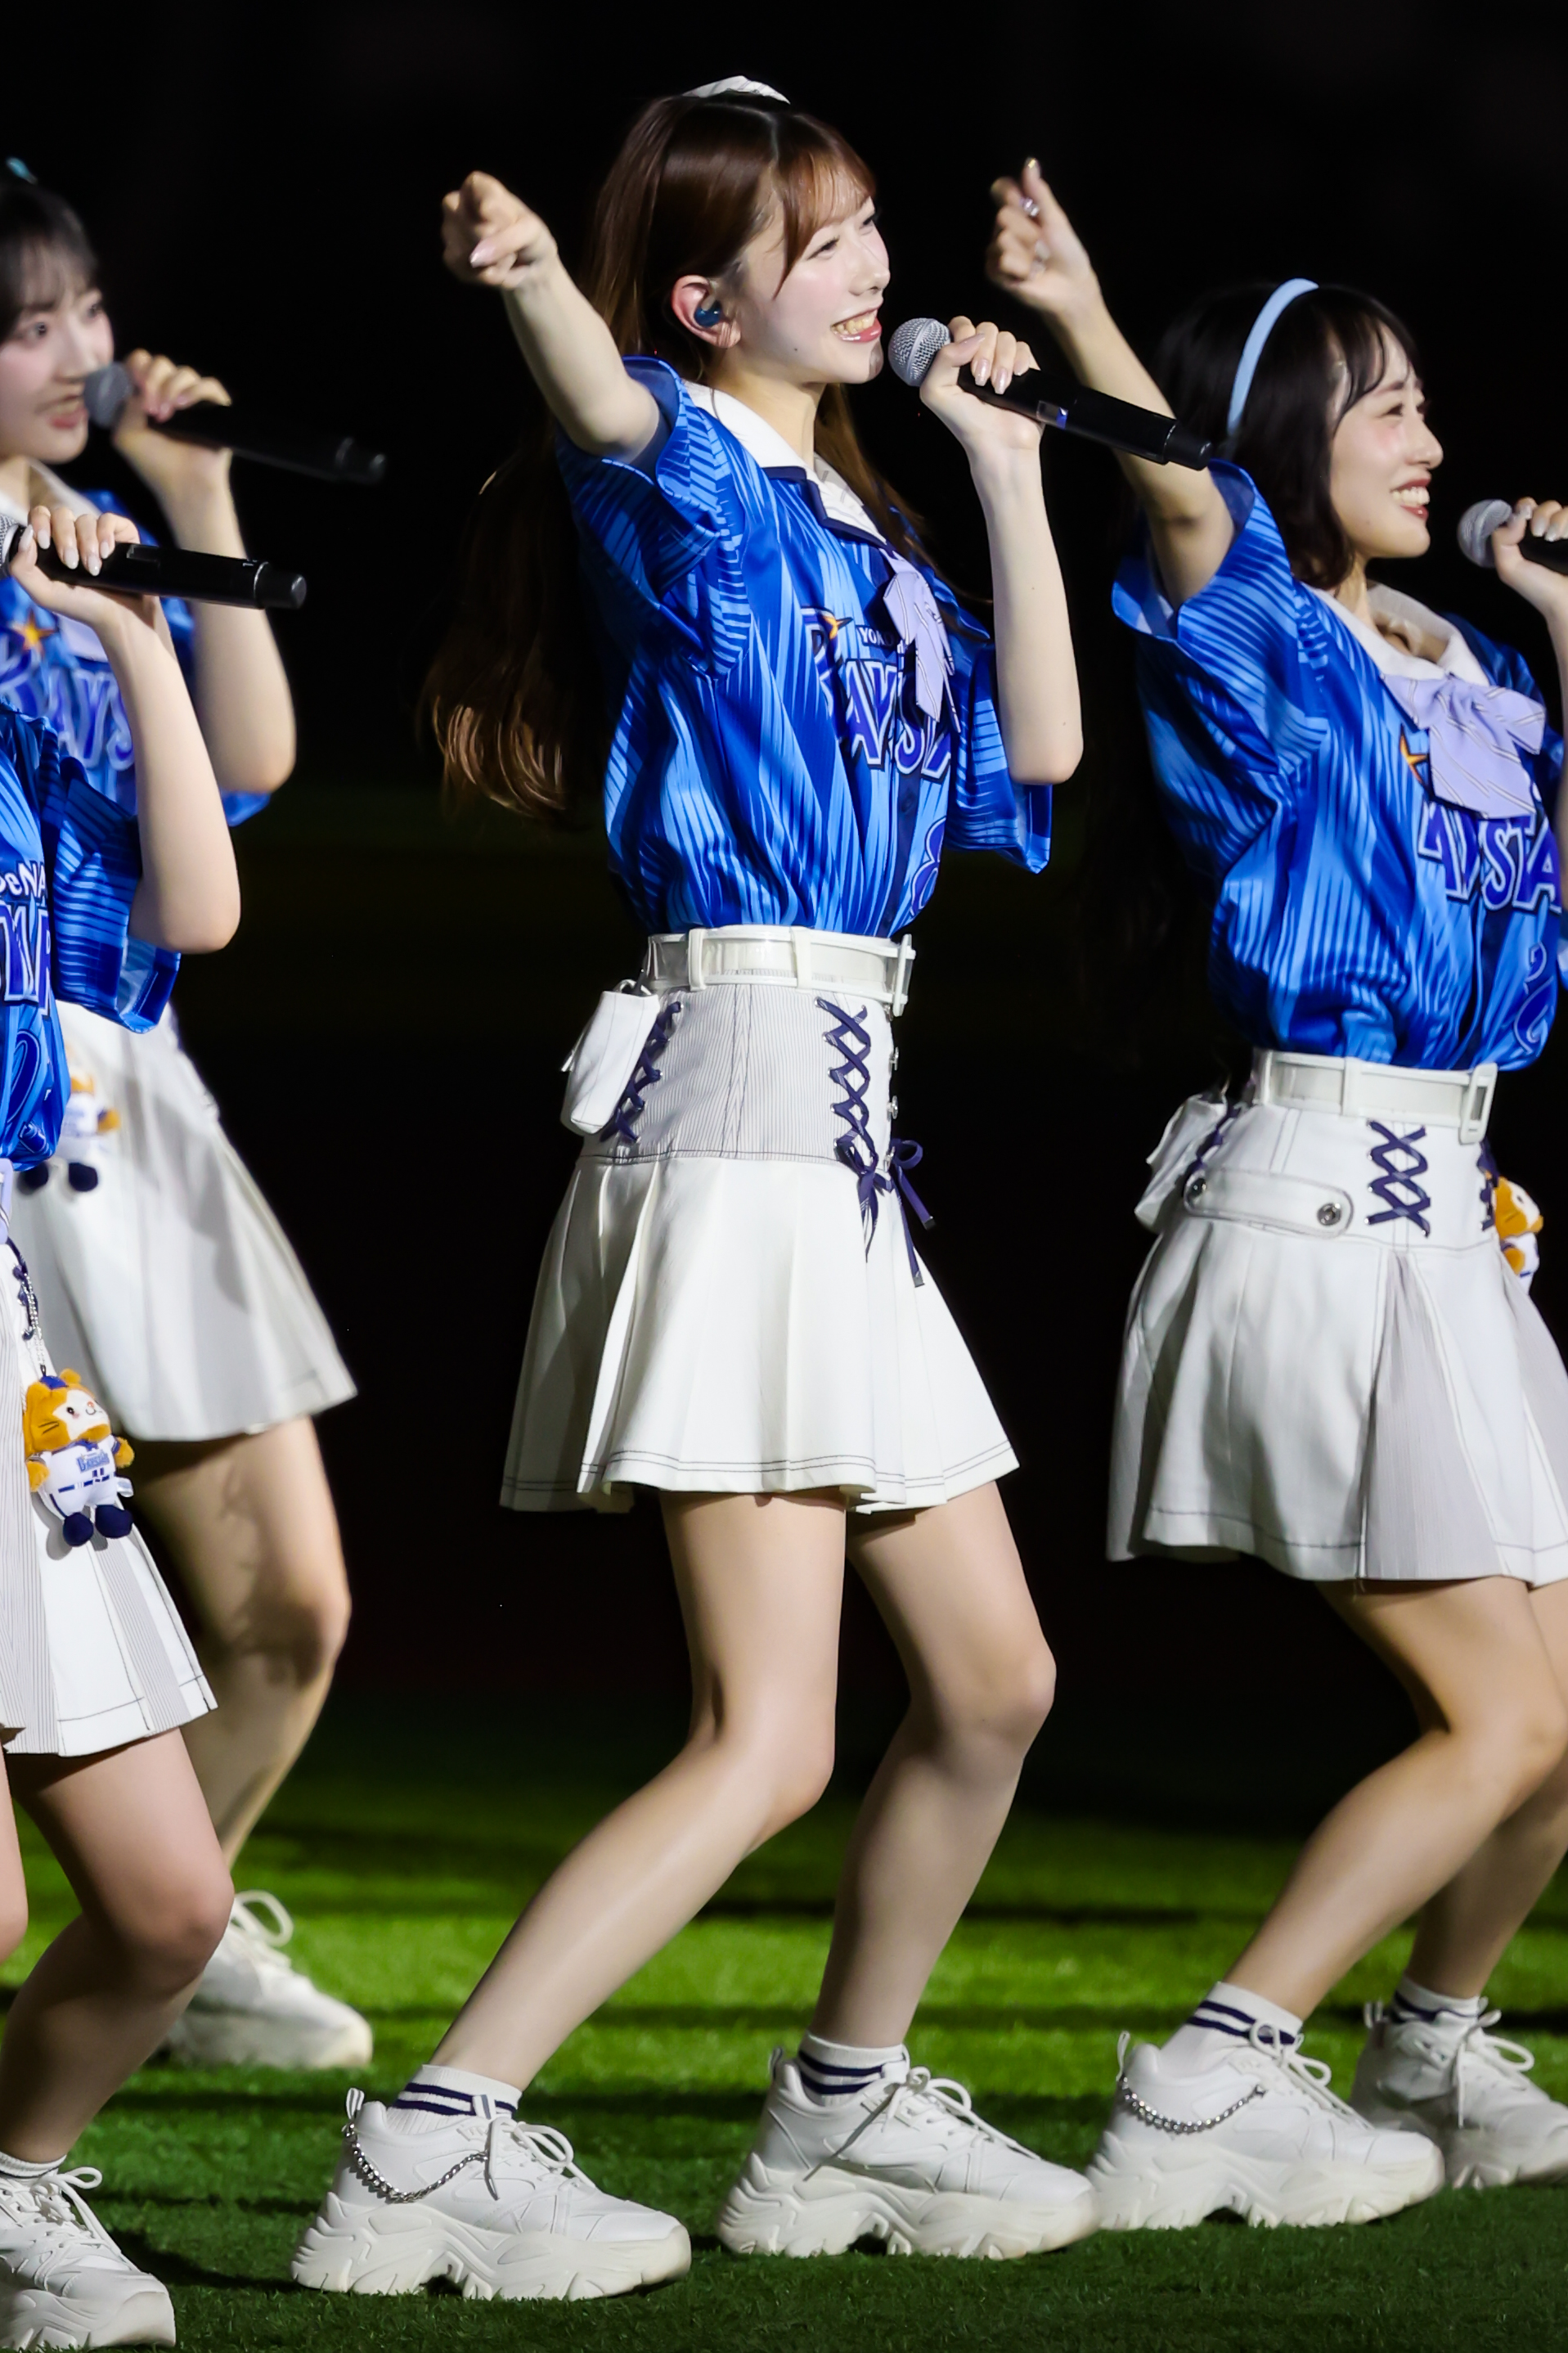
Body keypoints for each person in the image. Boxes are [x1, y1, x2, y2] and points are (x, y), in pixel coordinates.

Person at [292, 79, 1090, 2306]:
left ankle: (840, 2102)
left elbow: (1030, 762)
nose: (871, 271)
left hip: (843, 1143)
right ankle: (436, 2138)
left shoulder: (869, 524)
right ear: (702, 299)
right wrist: (539, 280)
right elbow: (605, 425)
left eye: (870, 236)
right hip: (737, 1115)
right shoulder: (696, 481)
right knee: (767, 1735)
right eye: (823, 243)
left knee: (996, 1682)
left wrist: (1010, 475)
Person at [989, 159, 1568, 2227]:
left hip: (1451, 1223)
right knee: (1496, 1715)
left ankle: (1425, 2040)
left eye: (1425, 396)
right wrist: (1075, 321)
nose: (1430, 432)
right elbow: (1177, 495)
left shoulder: (1471, 662)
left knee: (1554, 1711)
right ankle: (1219, 2067)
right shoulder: (1251, 631)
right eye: (1380, 399)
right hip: (1316, 1198)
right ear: (1279, 434)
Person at [0, 165, 369, 2071]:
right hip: (16, 1088)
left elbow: (245, 783)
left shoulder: (110, 529)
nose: (78, 354)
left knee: (291, 1608)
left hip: (140, 1081)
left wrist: (197, 509)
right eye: (25, 324)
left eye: (82, 311)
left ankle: (174, 1918)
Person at [0, 491, 240, 2348]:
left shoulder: (26, 690)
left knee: (169, 1908)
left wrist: (134, 635)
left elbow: (202, 906)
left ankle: (11, 2187)